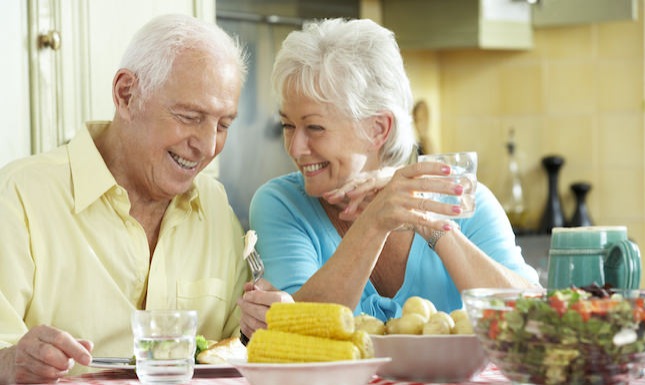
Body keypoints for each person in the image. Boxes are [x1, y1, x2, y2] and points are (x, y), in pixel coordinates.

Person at [238, 18, 539, 339]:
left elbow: (533, 320)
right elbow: (301, 332)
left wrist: (434, 226)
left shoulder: (463, 199)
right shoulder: (281, 204)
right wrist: (374, 223)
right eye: (287, 126)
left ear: (378, 129)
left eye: (314, 128)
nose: (295, 148)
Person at [0, 14, 249, 384]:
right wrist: (9, 364)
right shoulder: (19, 194)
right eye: (189, 116)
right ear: (126, 95)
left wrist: (259, 329)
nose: (209, 145)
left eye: (224, 124)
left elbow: (236, 353)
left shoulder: (214, 204)